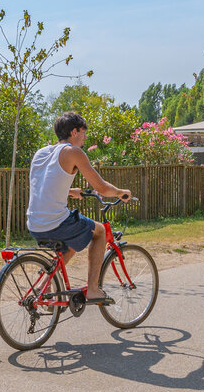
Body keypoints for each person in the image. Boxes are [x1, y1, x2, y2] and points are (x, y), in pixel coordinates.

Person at [27, 111, 131, 302]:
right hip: (55, 223)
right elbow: (101, 187)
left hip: (34, 224)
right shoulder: (73, 152)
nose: (84, 138)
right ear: (74, 132)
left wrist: (69, 190)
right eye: (83, 133)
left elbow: (42, 185)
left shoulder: (41, 153)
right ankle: (93, 290)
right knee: (99, 232)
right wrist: (120, 192)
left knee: (76, 239)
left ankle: (44, 286)